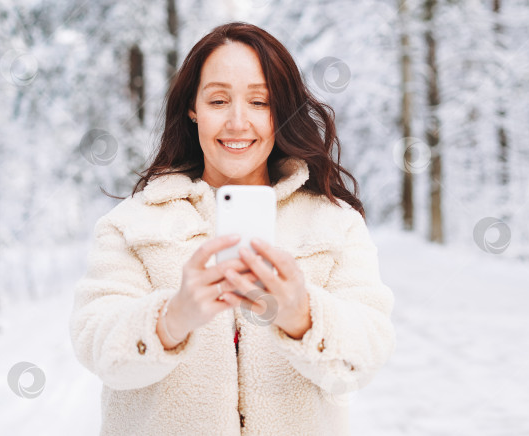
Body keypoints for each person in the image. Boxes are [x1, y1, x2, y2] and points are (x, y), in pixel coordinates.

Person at [69, 22, 396, 435]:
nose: (238, 122)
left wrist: (303, 316)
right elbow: (94, 341)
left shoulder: (333, 224)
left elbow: (365, 356)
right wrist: (172, 319)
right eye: (219, 100)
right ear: (193, 108)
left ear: (282, 111)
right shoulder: (134, 224)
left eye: (259, 101)